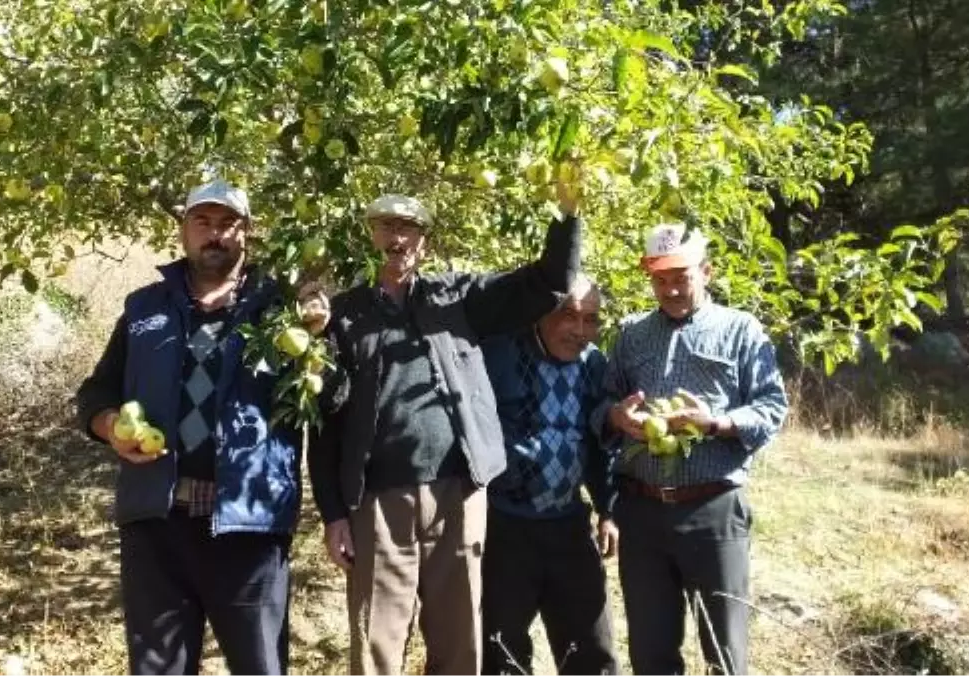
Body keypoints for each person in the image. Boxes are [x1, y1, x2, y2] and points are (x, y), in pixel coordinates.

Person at [309, 181, 583, 675]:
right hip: (377, 502)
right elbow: (325, 420)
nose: (398, 238)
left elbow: (548, 284)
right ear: (370, 235)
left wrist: (567, 211)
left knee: (459, 642)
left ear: (426, 241)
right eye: (387, 226)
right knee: (376, 645)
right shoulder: (343, 315)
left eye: (409, 228)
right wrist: (333, 514)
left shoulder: (457, 297)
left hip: (457, 493)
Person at [75, 179, 328, 675]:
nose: (215, 234)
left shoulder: (282, 311)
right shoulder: (144, 308)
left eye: (229, 223)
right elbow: (96, 391)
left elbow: (329, 397)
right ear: (183, 230)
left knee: (260, 666)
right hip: (157, 523)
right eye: (203, 221)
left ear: (247, 233)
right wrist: (110, 427)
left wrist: (318, 340)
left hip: (249, 523)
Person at [597, 222, 788, 675]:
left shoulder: (741, 330)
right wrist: (616, 417)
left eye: (681, 277)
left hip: (713, 510)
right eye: (660, 279)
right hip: (642, 514)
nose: (671, 290)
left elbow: (772, 407)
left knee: (724, 652)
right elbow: (603, 401)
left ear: (706, 271)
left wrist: (716, 423)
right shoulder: (631, 334)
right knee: (651, 653)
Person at [479, 274, 620, 675]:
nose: (580, 330)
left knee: (592, 652)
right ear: (541, 313)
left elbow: (601, 444)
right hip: (503, 526)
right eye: (569, 315)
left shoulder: (594, 364)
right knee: (501, 650)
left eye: (591, 320)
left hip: (568, 524)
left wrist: (608, 508)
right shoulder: (498, 354)